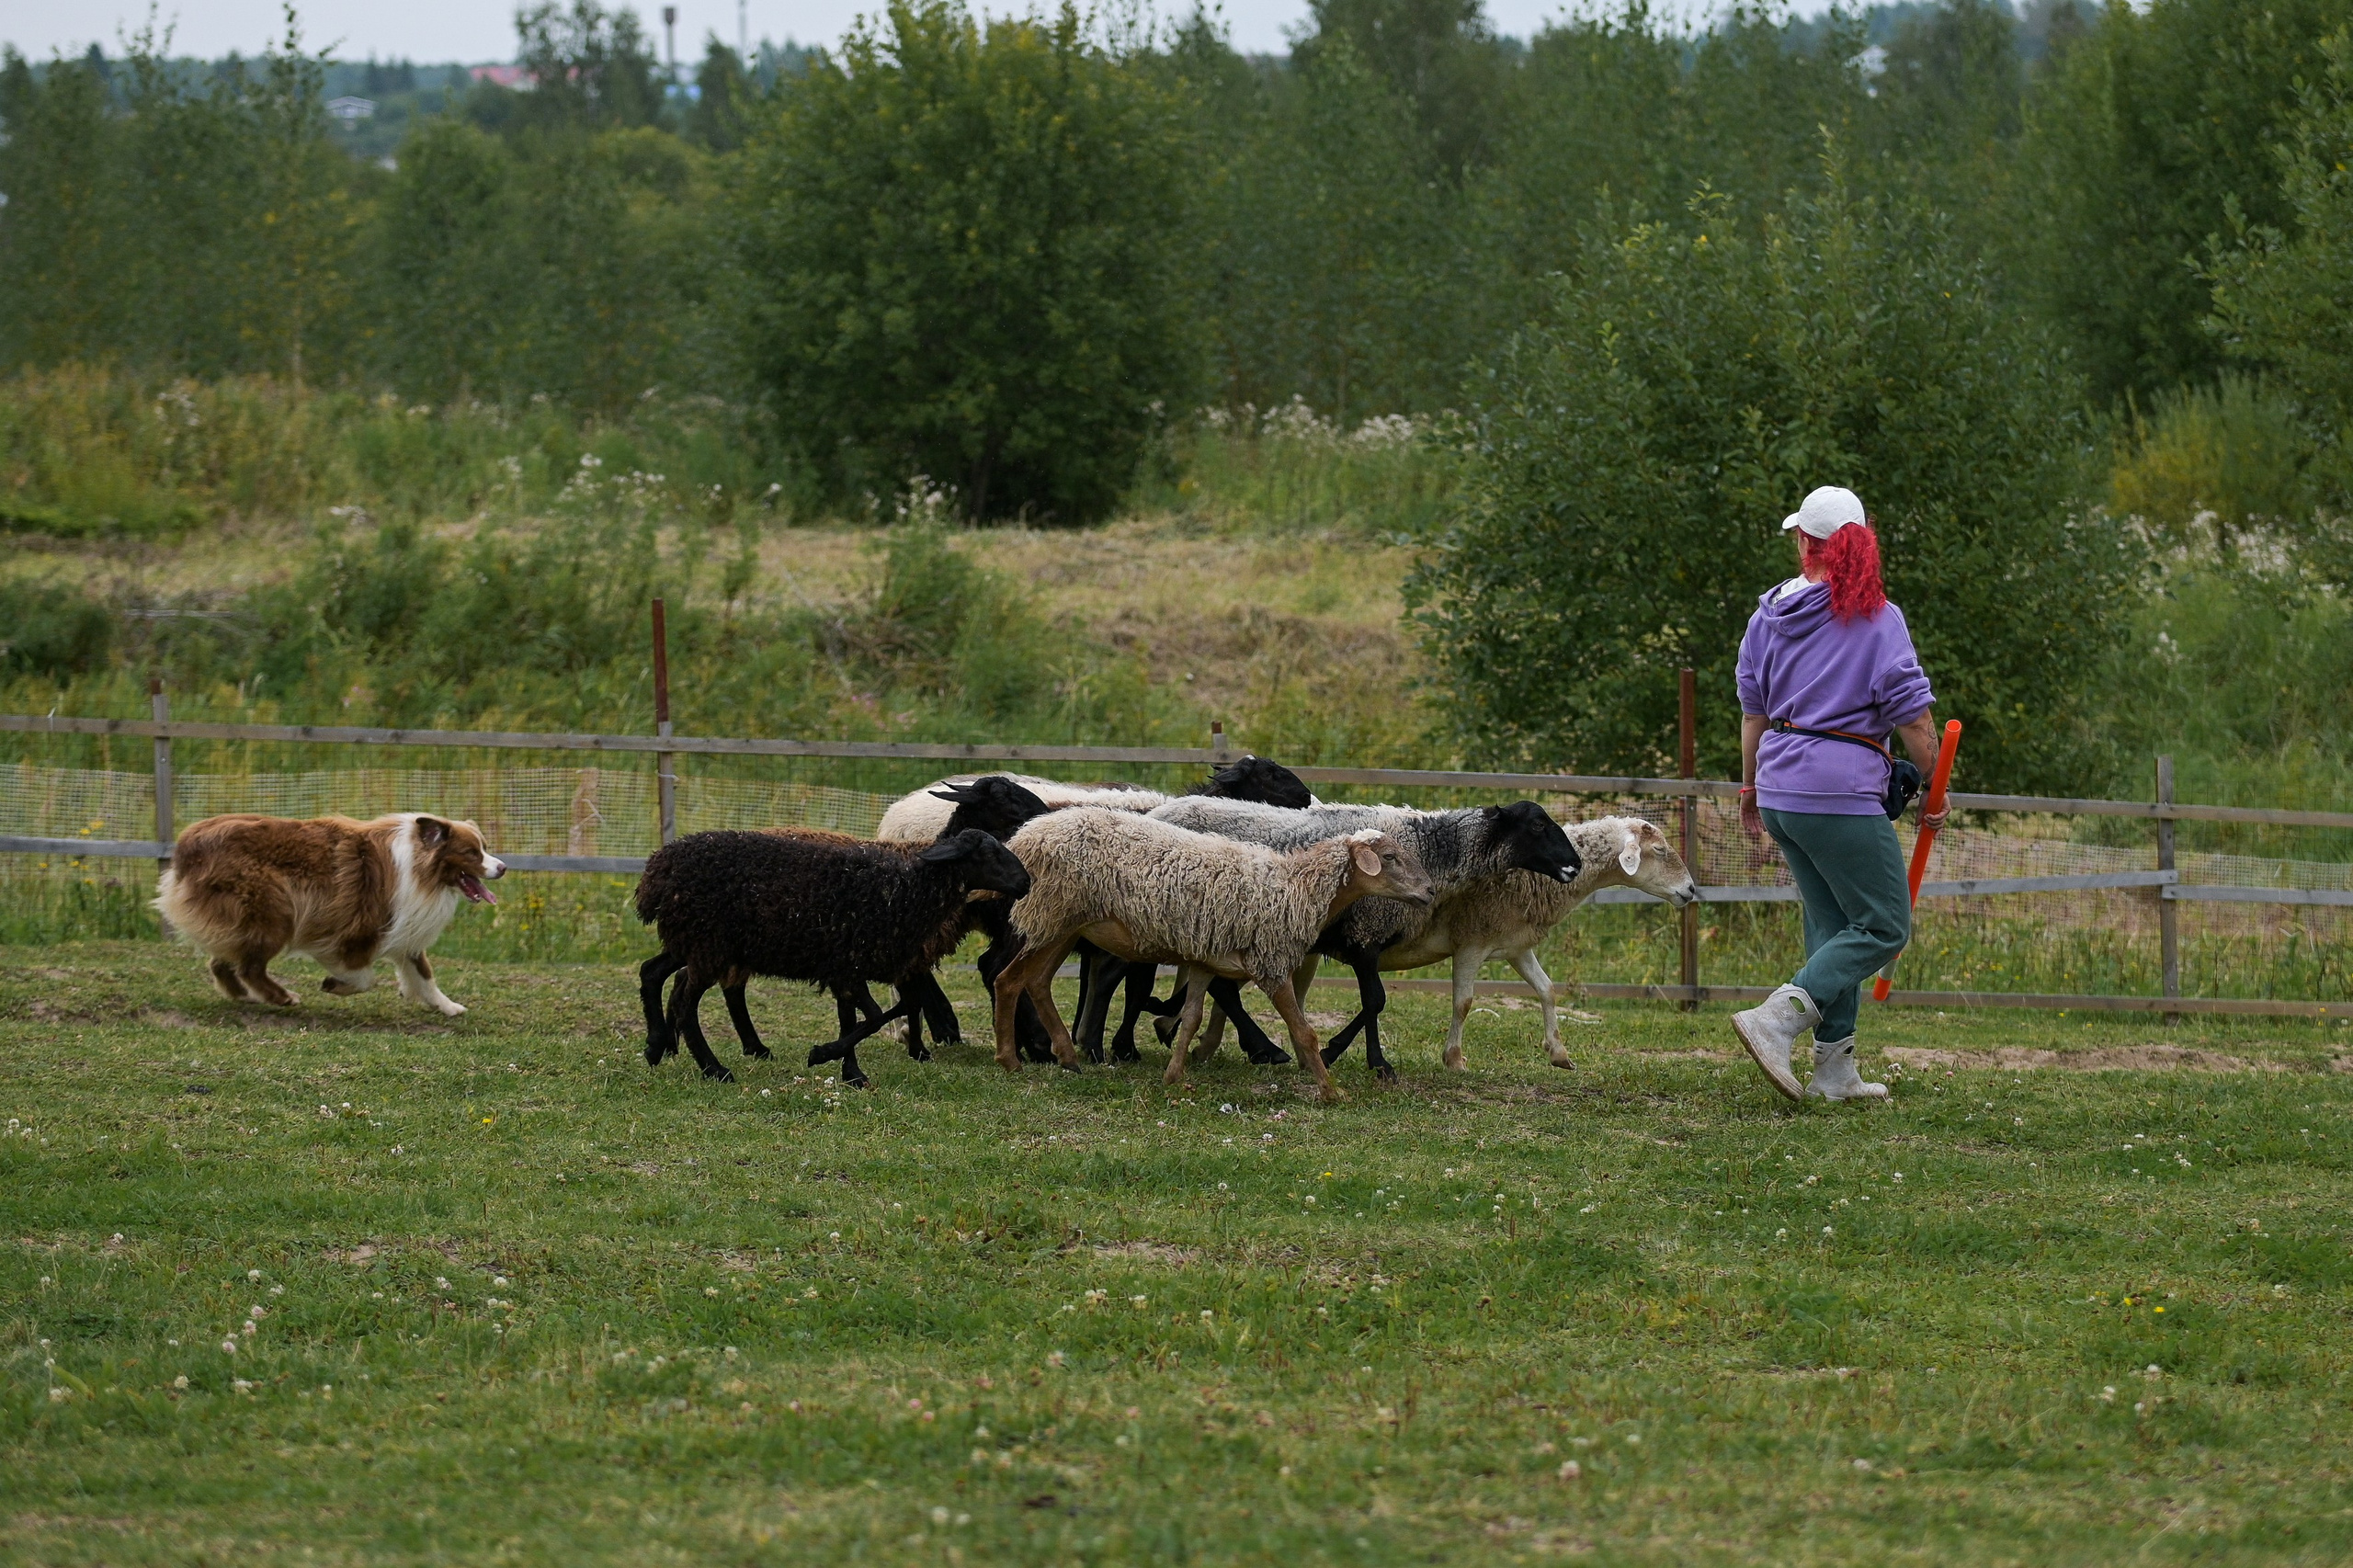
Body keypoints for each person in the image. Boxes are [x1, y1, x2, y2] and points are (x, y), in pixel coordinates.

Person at [1730, 485, 1946, 1102]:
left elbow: (1753, 713)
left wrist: (1750, 786)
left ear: (1805, 542)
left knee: (1833, 927)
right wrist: (1935, 784)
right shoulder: (1878, 617)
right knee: (1884, 925)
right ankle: (1777, 1019)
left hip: (1781, 790)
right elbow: (1914, 719)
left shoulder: (1767, 617)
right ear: (1863, 543)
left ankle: (1834, 1070)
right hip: (1838, 792)